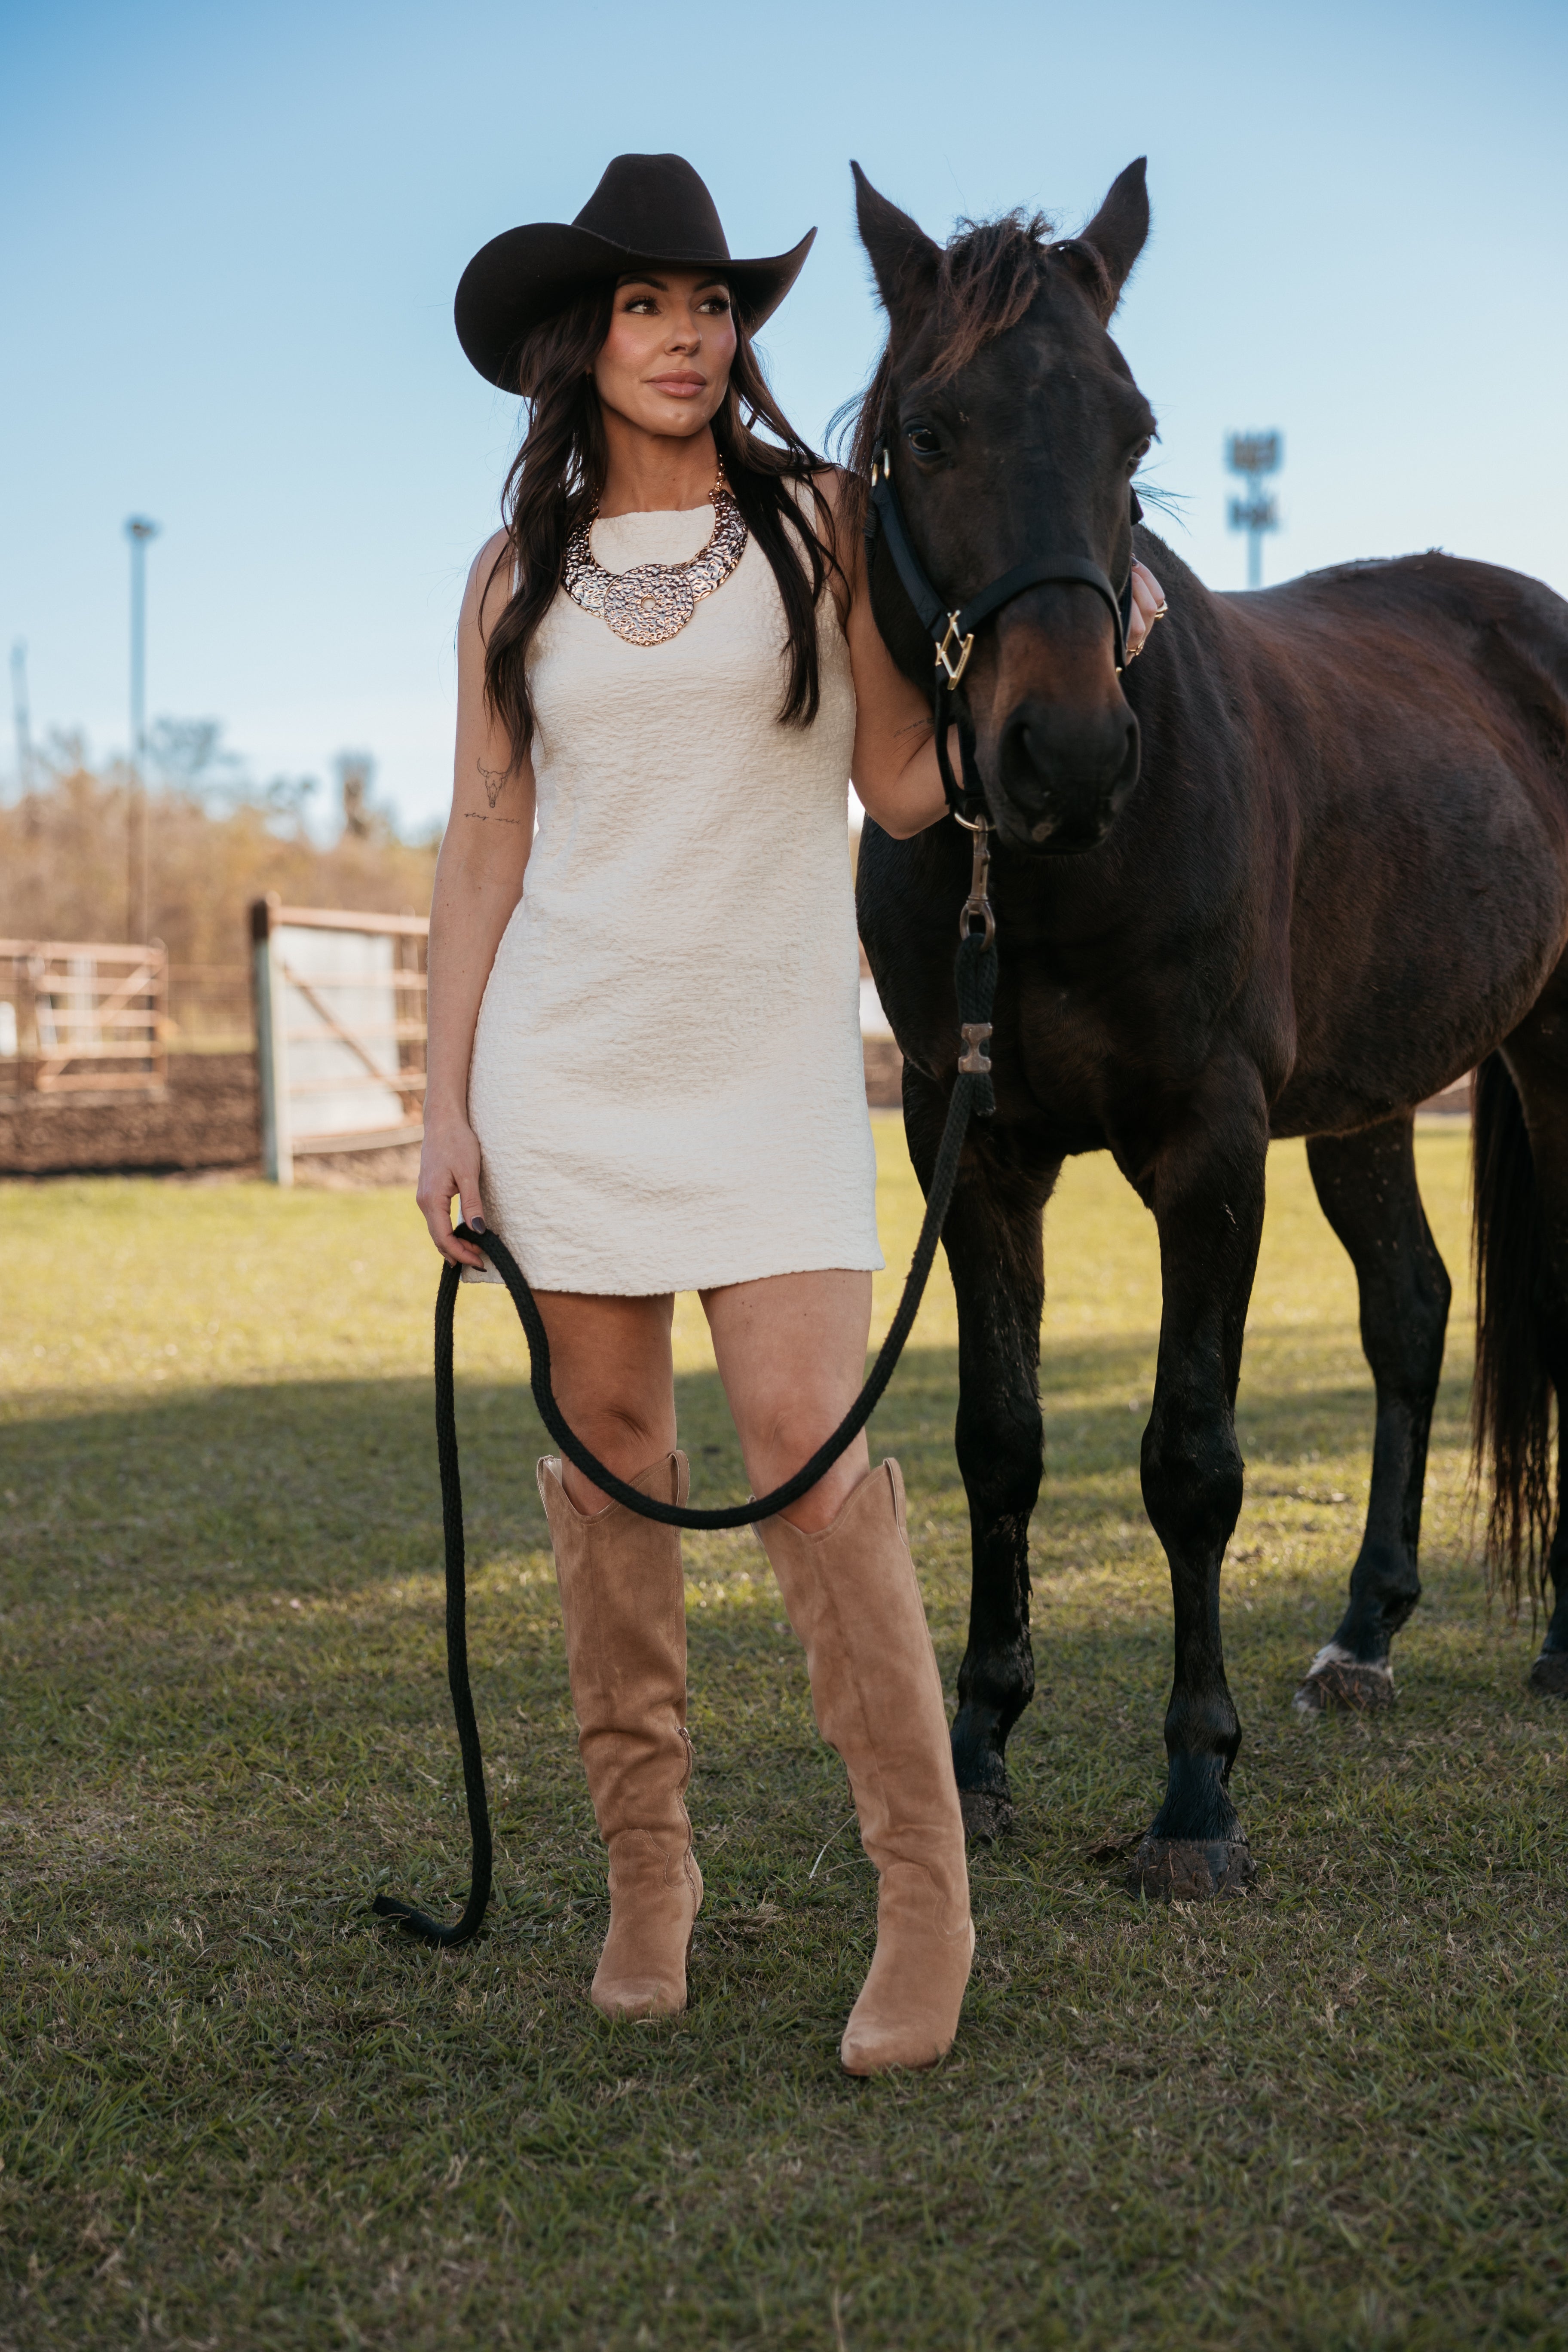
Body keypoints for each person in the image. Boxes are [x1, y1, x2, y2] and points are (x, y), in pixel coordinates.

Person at [419, 154, 1164, 2074]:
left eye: (714, 305)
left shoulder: (824, 525)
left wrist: (1071, 669)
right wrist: (447, 1107)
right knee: (604, 1460)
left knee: (807, 1455)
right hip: (564, 1063)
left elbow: (905, 794)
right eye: (650, 307)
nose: (688, 337)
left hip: (761, 1060)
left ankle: (927, 1903)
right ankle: (646, 1878)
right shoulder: (515, 576)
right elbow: (487, 840)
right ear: (582, 343)